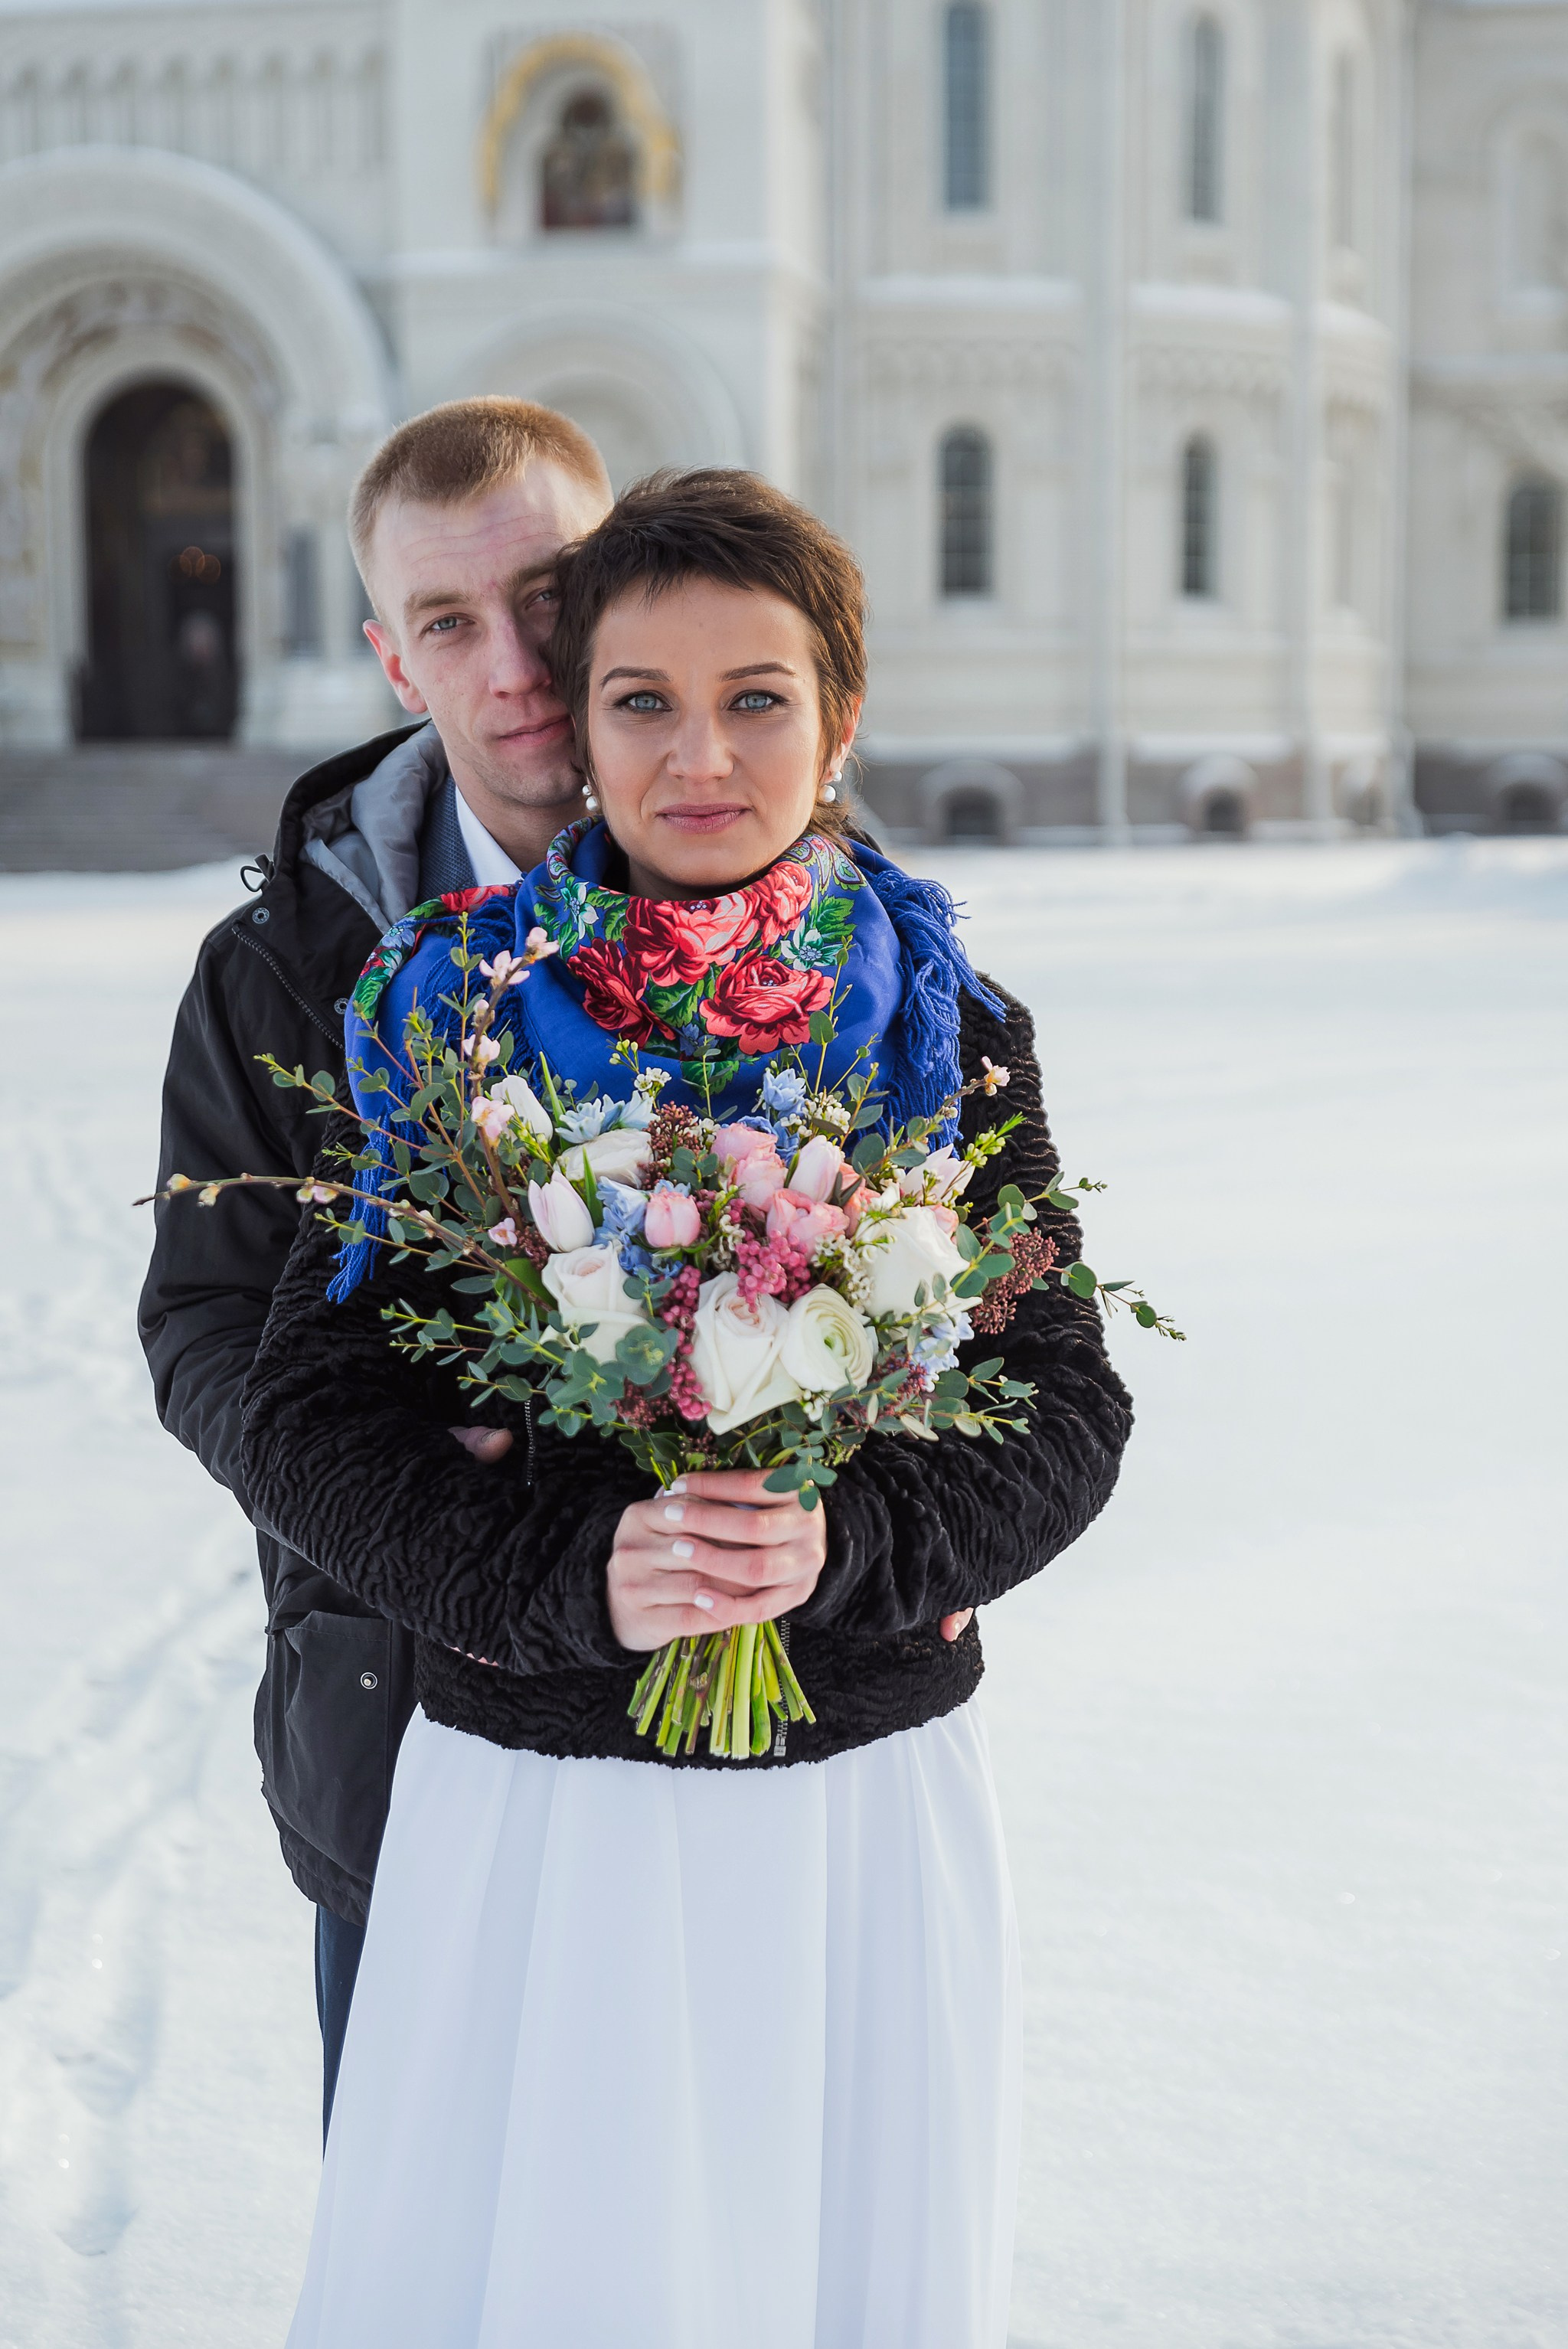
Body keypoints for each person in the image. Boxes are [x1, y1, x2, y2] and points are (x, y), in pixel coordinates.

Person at [240, 469, 1134, 2347]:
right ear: (579, 723)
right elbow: (313, 1410)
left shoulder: (945, 1025)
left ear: (841, 717)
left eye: (757, 696)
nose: (699, 752)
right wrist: (580, 1574)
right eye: (642, 697)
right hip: (544, 1803)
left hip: (855, 1801)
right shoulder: (449, 1015)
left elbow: (1063, 1401)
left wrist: (854, 1542)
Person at [136, 397, 616, 2136]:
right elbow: (198, 1320)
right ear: (392, 661)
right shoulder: (276, 969)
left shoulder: (815, 919)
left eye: (552, 596)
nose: (518, 664)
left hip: (732, 1763)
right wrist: (403, 1492)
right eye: (449, 622)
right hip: (399, 1737)